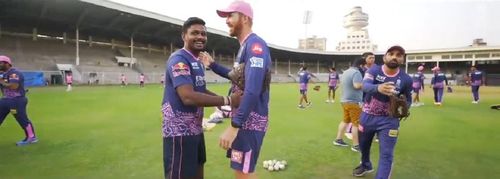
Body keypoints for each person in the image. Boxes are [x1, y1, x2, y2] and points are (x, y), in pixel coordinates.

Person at [161, 17, 241, 179]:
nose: (200, 37)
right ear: (184, 36)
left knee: (197, 171)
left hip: (195, 130)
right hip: (179, 132)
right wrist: (228, 100)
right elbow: (188, 97)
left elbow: (200, 89)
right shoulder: (179, 60)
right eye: (194, 33)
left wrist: (223, 103)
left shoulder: (195, 61)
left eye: (203, 34)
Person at [199, 1, 272, 178]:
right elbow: (237, 77)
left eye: (231, 16)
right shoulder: (244, 47)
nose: (227, 20)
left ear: (245, 18)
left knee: (244, 172)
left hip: (249, 121)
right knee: (242, 171)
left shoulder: (255, 46)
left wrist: (234, 126)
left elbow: (252, 90)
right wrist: (213, 65)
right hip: (244, 119)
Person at [353, 46, 412, 178]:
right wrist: (378, 87)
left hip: (389, 120)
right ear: (385, 57)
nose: (394, 57)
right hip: (367, 116)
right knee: (363, 146)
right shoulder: (374, 70)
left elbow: (408, 99)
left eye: (399, 55)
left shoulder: (406, 79)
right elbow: (365, 86)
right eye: (391, 54)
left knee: (386, 154)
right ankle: (366, 164)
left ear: (402, 59)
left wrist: (404, 107)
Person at [0, 55, 38, 146]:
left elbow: (14, 86)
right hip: (5, 100)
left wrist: (2, 82)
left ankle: (31, 137)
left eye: (0, 63)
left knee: (22, 119)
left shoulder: (14, 73)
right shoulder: (3, 74)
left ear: (7, 63)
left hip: (16, 100)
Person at [333, 58, 365, 152]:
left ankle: (338, 139)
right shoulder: (357, 73)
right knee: (356, 124)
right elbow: (356, 85)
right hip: (353, 102)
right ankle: (356, 145)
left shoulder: (346, 72)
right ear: (361, 65)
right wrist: (367, 84)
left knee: (345, 121)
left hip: (344, 101)